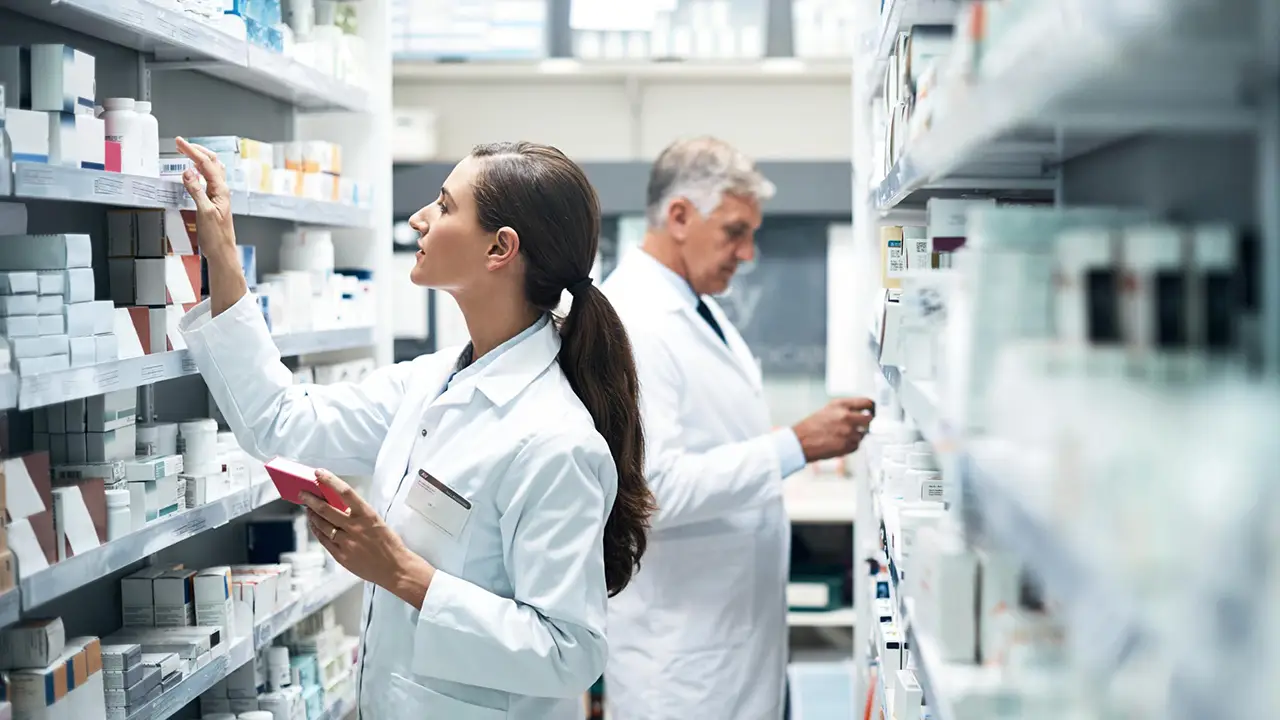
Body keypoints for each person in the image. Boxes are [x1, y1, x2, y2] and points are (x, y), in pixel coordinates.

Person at [173, 137, 655, 720]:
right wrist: (221, 254)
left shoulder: (555, 439)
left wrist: (402, 574)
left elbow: (570, 652)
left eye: (446, 207)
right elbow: (281, 422)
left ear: (501, 249)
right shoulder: (430, 384)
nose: (419, 219)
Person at [600, 137, 875, 719]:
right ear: (679, 216)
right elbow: (652, 491)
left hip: (727, 643)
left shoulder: (698, 306)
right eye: (734, 231)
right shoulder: (636, 320)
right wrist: (795, 445)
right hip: (682, 664)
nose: (748, 253)